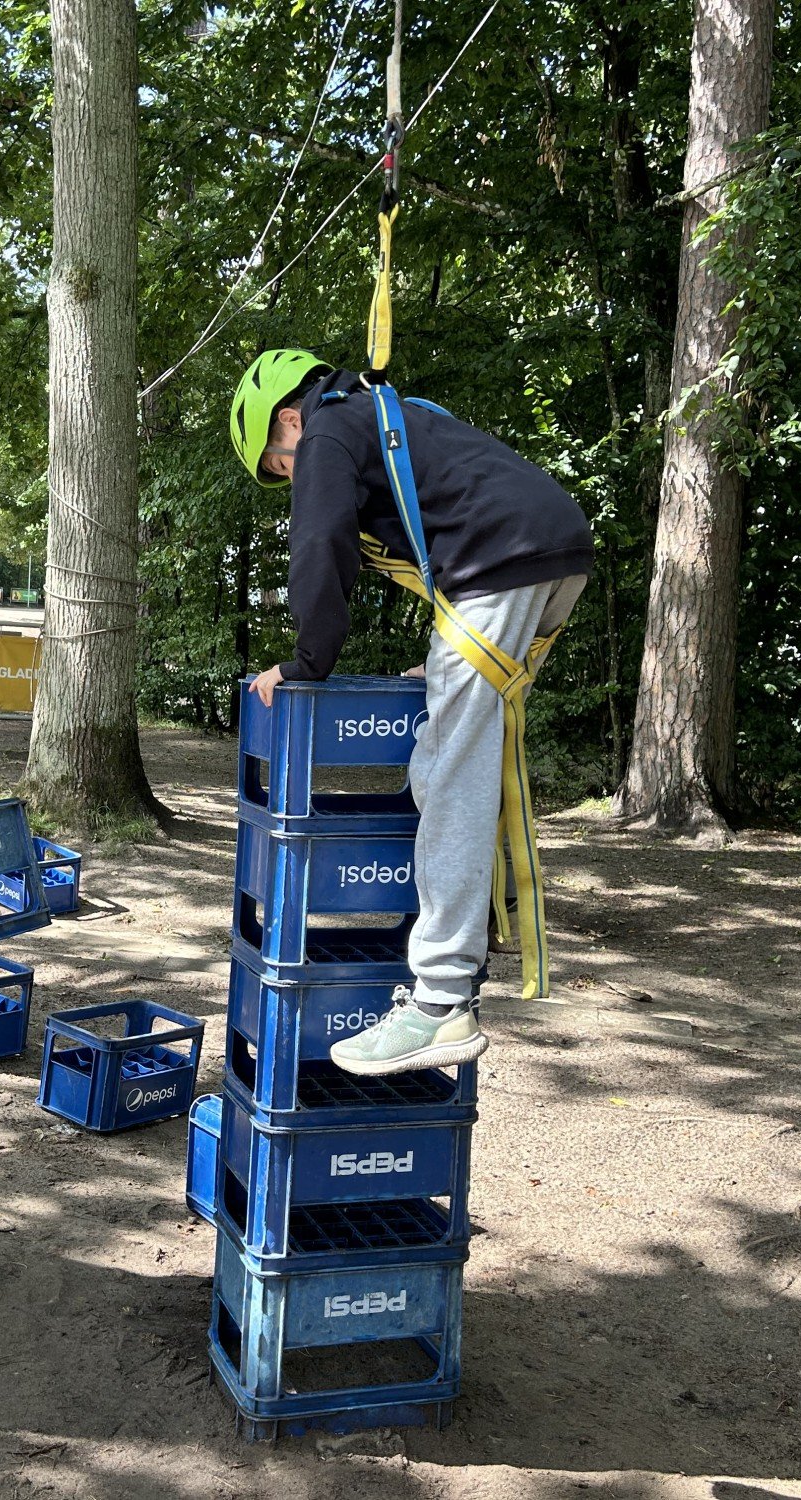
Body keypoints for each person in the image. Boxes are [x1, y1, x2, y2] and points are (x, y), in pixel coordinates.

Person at [230, 348, 594, 1075]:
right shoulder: (382, 411)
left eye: (278, 465)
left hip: (497, 565)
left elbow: (321, 542)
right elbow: (449, 505)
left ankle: (440, 1004)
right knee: (471, 739)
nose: (291, 478)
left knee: (447, 772)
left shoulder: (327, 433)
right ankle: (481, 921)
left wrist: (307, 661)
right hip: (555, 551)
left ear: (289, 419)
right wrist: (453, 658)